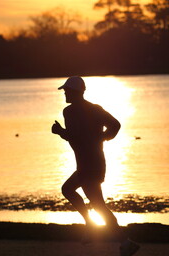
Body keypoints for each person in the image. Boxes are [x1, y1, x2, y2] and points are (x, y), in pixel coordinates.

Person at [51, 76, 140, 256]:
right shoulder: (90, 110)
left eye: (67, 91)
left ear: (76, 92)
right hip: (90, 163)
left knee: (98, 205)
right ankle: (93, 226)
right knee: (69, 190)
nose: (65, 94)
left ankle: (124, 241)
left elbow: (76, 136)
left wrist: (61, 132)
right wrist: (101, 138)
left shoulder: (71, 112)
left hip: (90, 164)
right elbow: (113, 126)